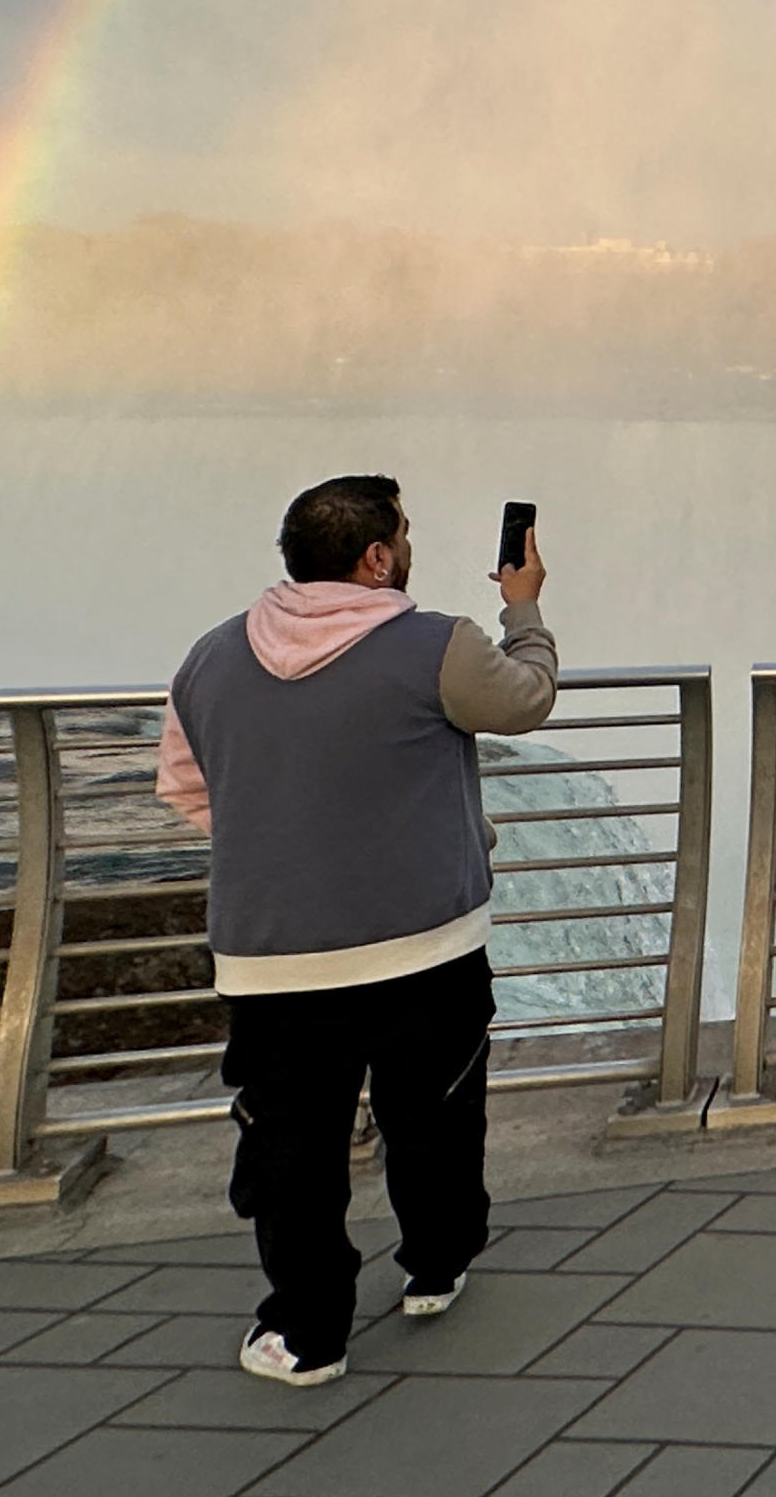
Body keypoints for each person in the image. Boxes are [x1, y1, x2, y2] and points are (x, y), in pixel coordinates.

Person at [155, 475, 556, 1386]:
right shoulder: (437, 646)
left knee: (291, 1146)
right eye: (403, 536)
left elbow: (186, 790)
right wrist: (523, 608)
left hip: (272, 962)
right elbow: (526, 699)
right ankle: (435, 1267)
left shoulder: (210, 658)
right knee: (437, 1116)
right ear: (376, 558)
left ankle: (306, 1336)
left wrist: (293, 845)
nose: (407, 549)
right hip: (425, 949)